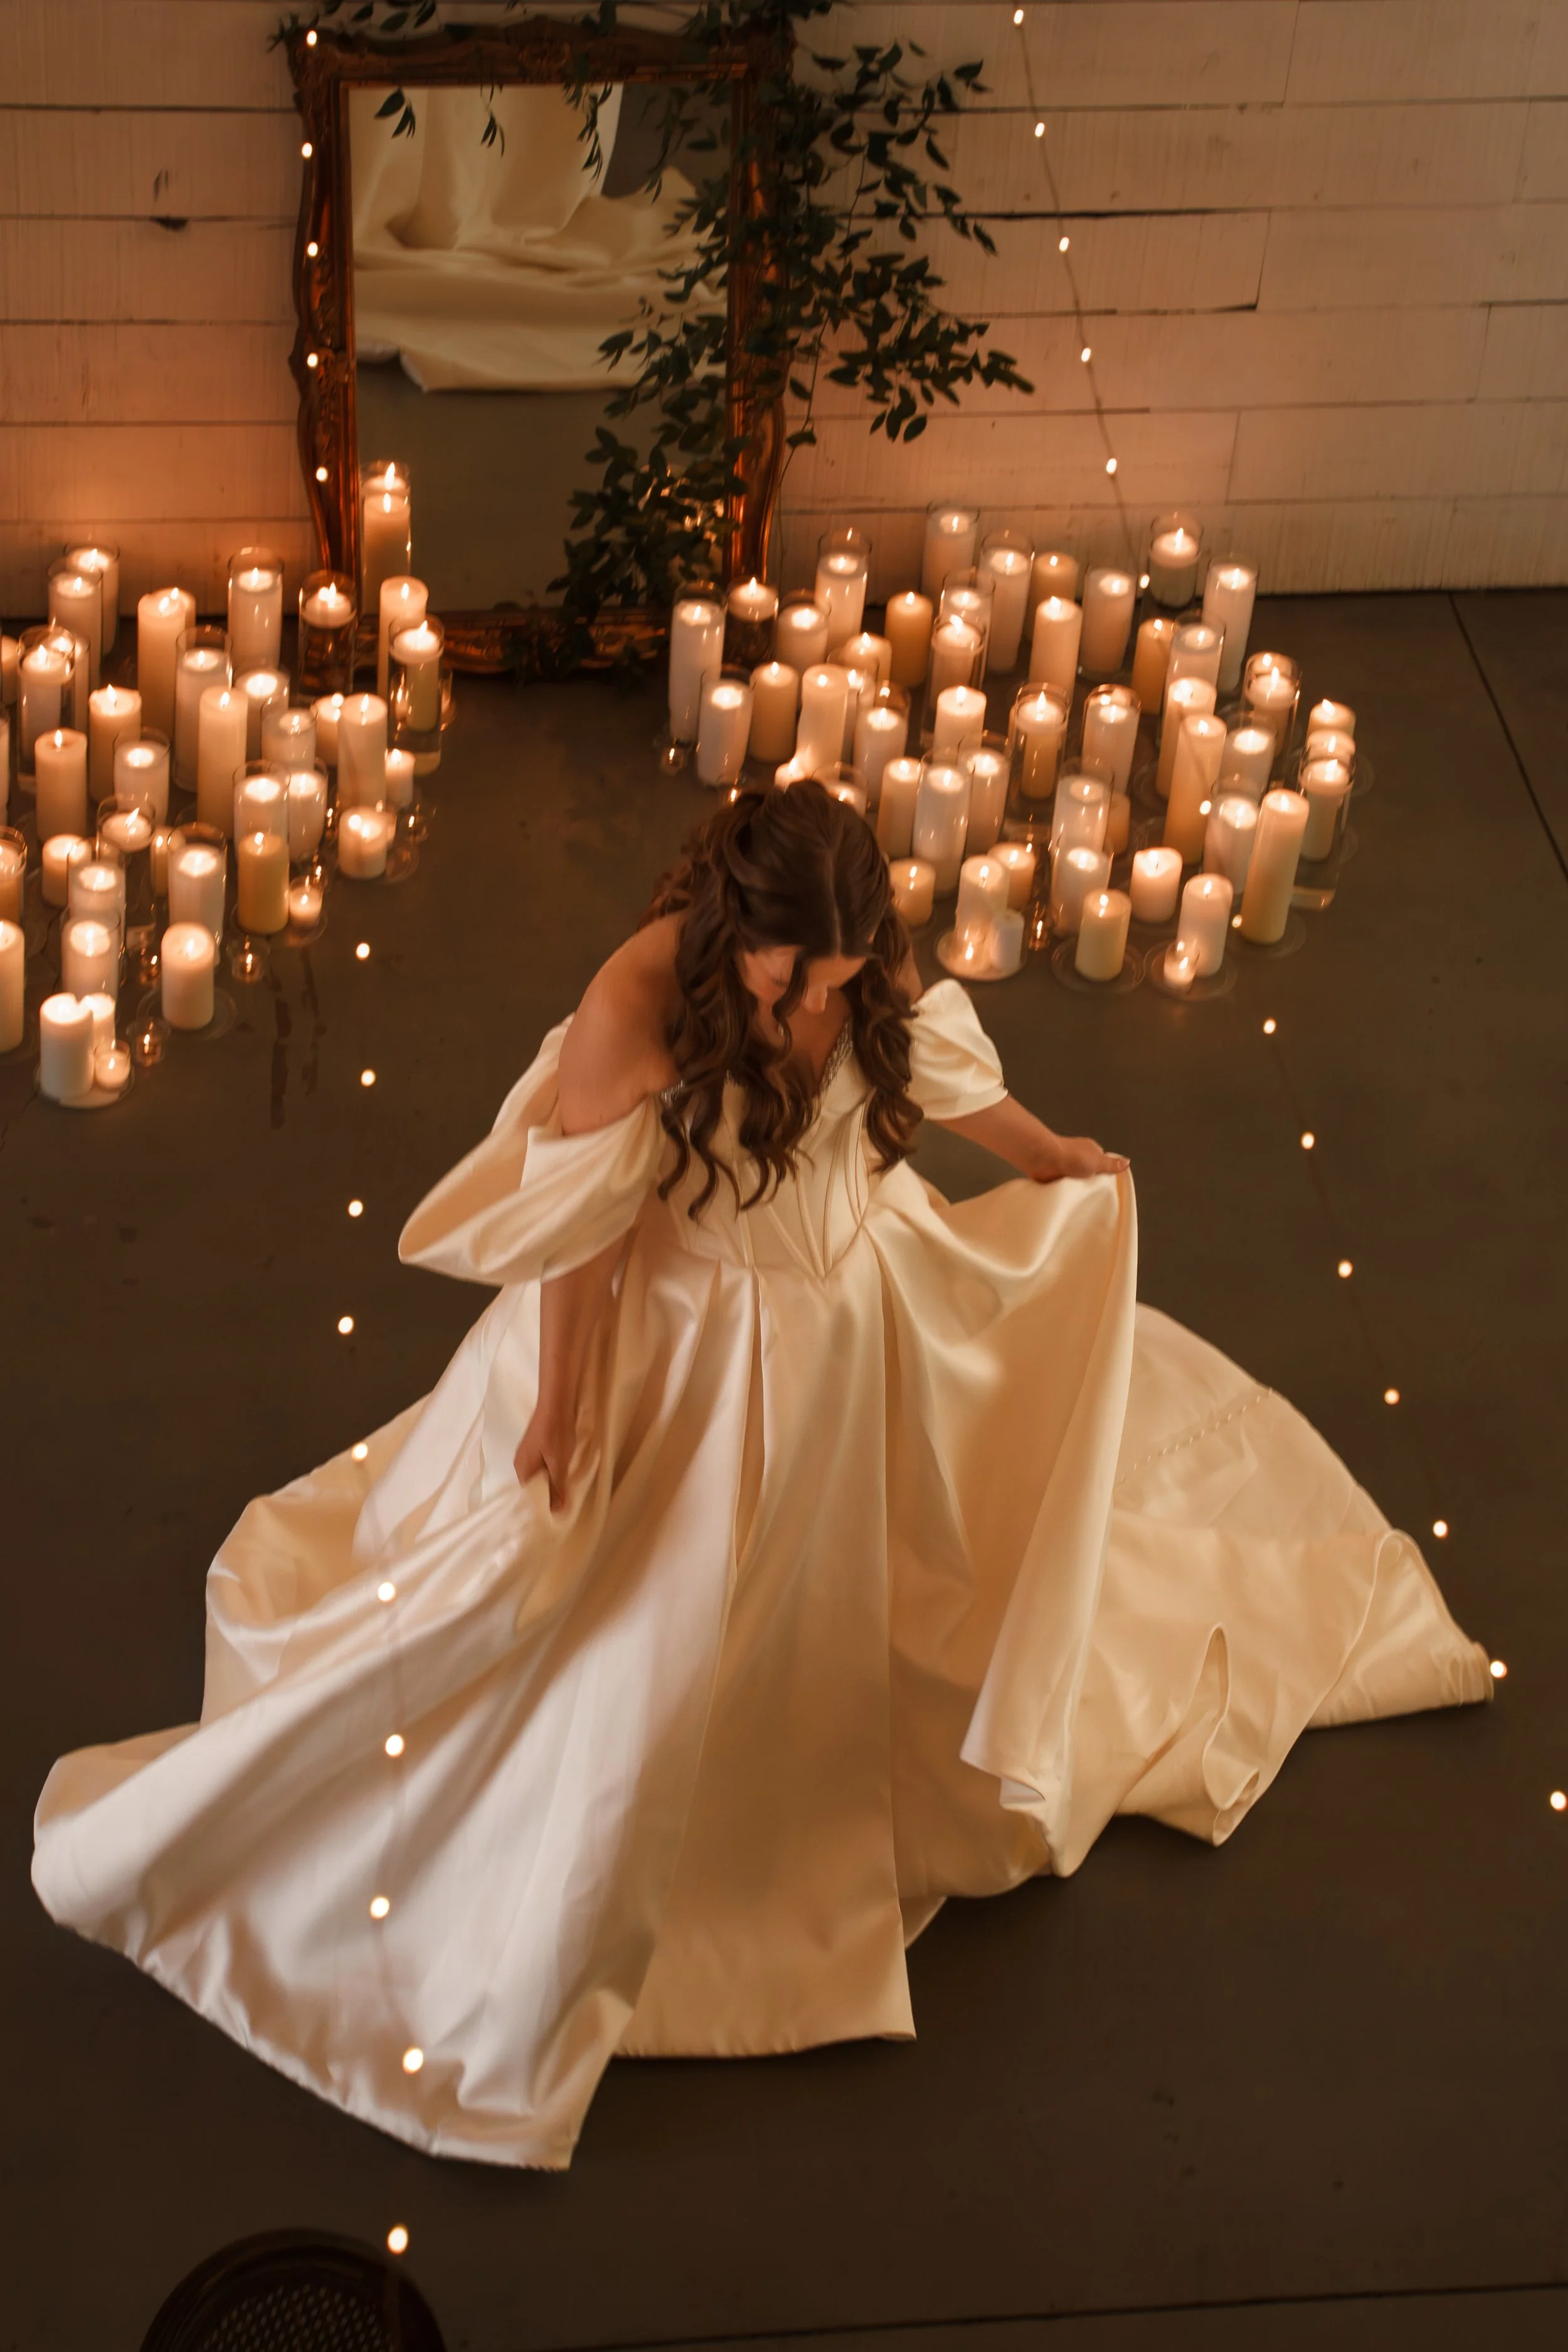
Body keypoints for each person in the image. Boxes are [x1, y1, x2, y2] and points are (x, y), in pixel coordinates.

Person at [33, 780, 1491, 2173]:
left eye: (838, 980)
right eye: (789, 981)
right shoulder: (637, 1002)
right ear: (735, 928)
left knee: (874, 1575)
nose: (810, 1011)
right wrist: (563, 1400)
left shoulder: (858, 977)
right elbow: (587, 1229)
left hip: (853, 1324)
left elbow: (942, 1069)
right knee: (630, 1633)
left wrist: (1048, 1156)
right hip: (689, 1346)